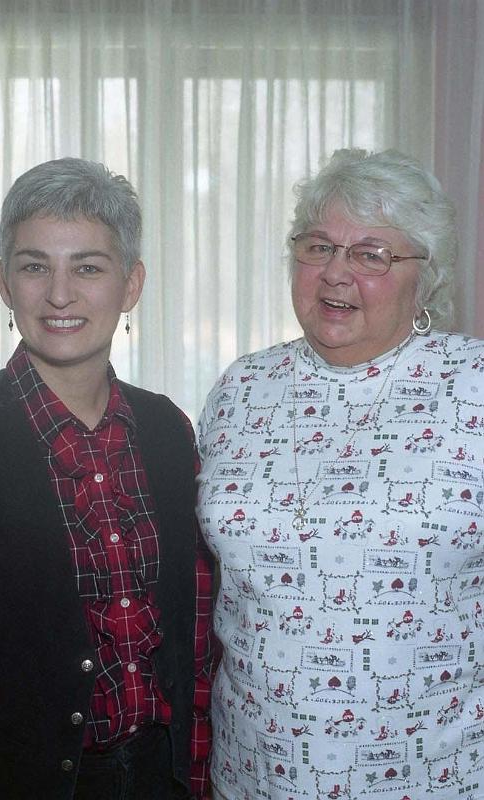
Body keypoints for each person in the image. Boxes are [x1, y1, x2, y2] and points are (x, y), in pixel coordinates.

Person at [197, 149, 484, 800]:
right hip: (252, 776)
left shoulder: (474, 386)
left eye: (371, 254)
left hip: (436, 781)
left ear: (425, 275)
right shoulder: (241, 388)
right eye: (317, 246)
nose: (335, 273)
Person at [0, 157, 215, 800]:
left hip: (159, 774)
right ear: (4, 282)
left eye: (88, 267)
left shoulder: (167, 429)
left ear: (131, 284)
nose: (60, 295)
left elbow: (193, 625)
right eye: (35, 267)